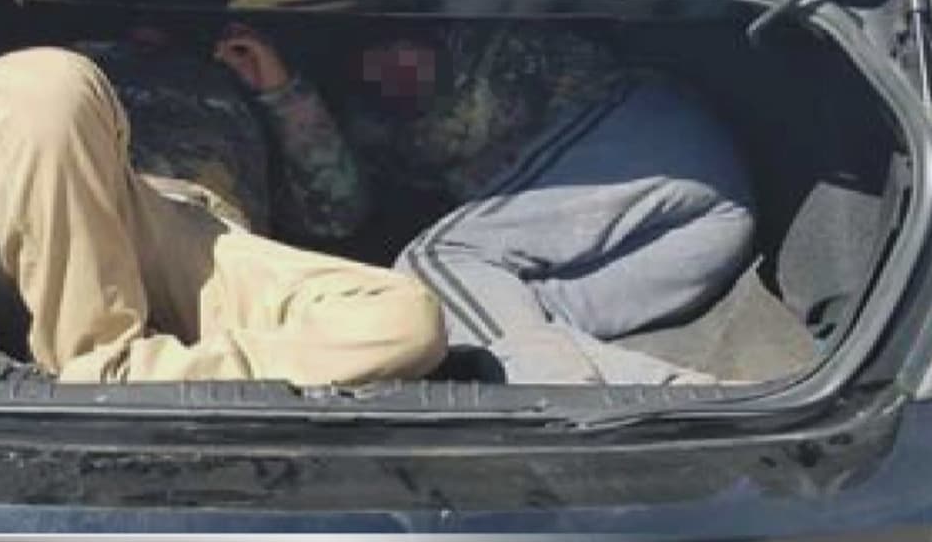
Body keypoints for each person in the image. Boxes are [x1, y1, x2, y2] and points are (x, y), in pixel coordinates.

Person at [0, 25, 446, 385]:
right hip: (56, 219)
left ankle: (85, 384)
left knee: (403, 320)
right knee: (36, 83)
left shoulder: (233, 77)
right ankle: (106, 373)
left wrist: (280, 92)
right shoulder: (53, 60)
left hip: (195, 235)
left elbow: (337, 213)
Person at [214, 19, 755, 384]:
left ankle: (554, 403)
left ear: (428, 33)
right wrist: (286, 94)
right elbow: (336, 212)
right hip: (691, 243)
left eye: (396, 49)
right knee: (491, 319)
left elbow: (480, 123)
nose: (389, 70)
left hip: (654, 152)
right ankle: (683, 399)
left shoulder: (499, 50)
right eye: (367, 66)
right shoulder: (381, 130)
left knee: (434, 262)